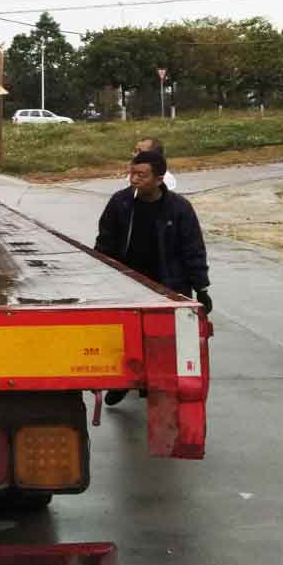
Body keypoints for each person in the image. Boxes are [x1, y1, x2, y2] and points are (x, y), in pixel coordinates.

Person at [96, 149, 212, 405]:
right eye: (132, 173)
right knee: (126, 339)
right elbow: (104, 243)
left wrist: (201, 287)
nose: (134, 179)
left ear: (159, 179)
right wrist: (101, 275)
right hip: (126, 284)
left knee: (163, 341)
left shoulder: (179, 209)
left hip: (168, 284)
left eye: (141, 175)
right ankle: (124, 382)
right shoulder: (120, 203)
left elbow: (193, 249)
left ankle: (153, 381)